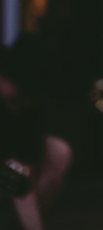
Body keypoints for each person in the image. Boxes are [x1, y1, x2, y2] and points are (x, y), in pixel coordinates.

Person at [0, 34, 73, 230]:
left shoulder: (26, 104)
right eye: (18, 93)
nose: (20, 102)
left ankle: (19, 223)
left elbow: (24, 162)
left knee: (59, 152)